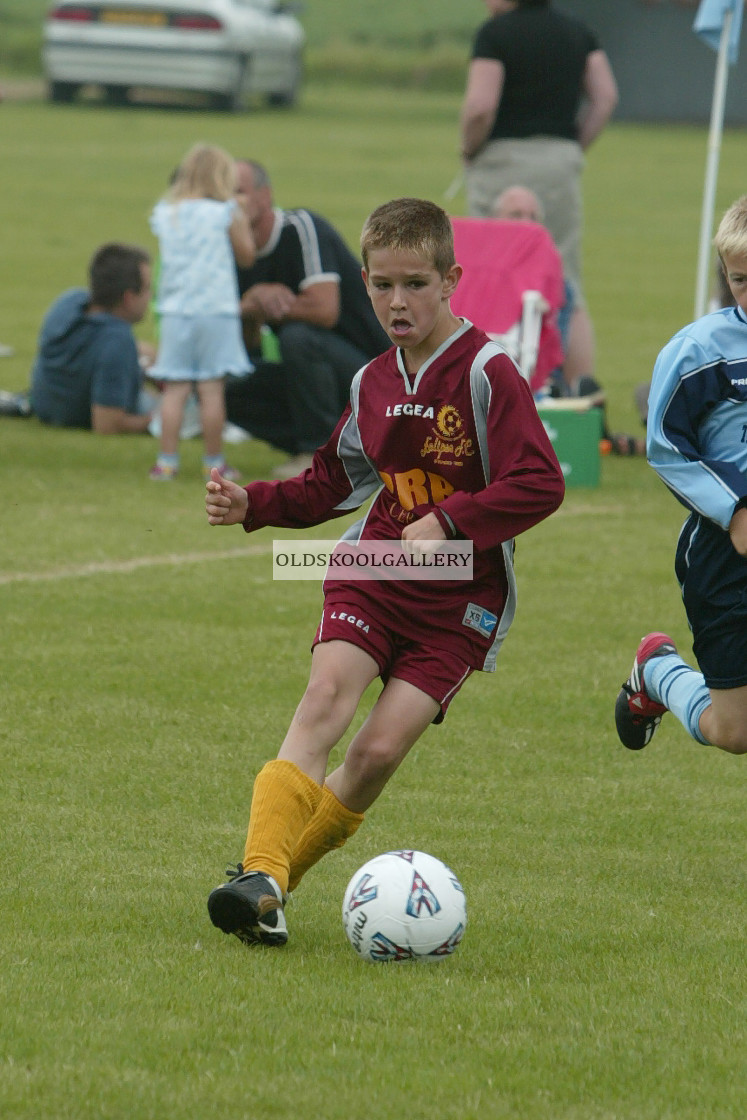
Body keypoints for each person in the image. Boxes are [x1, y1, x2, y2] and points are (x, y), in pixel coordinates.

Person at [203, 197, 565, 948]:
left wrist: (454, 520)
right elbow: (331, 482)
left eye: (415, 284)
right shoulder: (370, 381)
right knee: (324, 701)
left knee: (373, 755)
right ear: (363, 281)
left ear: (449, 280)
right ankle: (259, 873)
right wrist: (254, 504)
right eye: (381, 286)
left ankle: (271, 889)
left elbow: (540, 481)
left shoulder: (487, 373)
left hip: (461, 600)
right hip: (373, 566)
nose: (396, 302)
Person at [614, 195, 747, 757]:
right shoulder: (699, 351)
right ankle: (658, 673)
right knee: (735, 732)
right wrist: (735, 510)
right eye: (741, 279)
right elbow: (666, 447)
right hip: (722, 557)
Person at [459, 0, 618, 397]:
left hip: (501, 160)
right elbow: (605, 97)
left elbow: (480, 106)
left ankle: (481, 386)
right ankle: (581, 392)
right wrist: (573, 148)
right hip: (558, 163)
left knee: (486, 276)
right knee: (565, 281)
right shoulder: (578, 31)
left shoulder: (494, 34)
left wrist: (468, 149)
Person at [231, 159, 390, 479]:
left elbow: (324, 310)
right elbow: (249, 350)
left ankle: (317, 453)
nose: (227, 204)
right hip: (318, 377)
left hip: (376, 372)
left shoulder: (300, 228)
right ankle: (349, 448)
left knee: (298, 337)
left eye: (238, 192)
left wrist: (263, 298)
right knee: (227, 383)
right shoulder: (231, 252)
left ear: (265, 196)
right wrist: (248, 308)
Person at [148, 143, 255, 481]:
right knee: (211, 390)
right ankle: (214, 462)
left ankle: (166, 461)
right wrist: (243, 219)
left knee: (175, 389)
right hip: (216, 311)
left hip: (176, 311)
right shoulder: (226, 213)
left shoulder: (167, 212)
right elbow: (247, 256)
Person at [29, 242, 156, 433]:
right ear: (128, 298)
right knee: (173, 405)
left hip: (47, 406)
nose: (151, 296)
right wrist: (163, 422)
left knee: (151, 357)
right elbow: (107, 424)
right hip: (82, 413)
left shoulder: (69, 302)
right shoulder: (117, 341)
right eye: (147, 289)